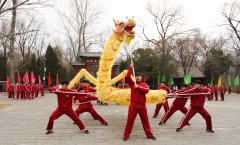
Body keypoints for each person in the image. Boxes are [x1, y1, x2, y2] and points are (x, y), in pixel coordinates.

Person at [123, 63, 156, 141]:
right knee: (130, 121)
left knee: (145, 121)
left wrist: (139, 87)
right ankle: (126, 135)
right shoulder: (132, 83)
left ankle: (149, 134)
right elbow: (128, 76)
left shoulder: (144, 84)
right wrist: (130, 68)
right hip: (133, 106)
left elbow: (147, 91)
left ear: (141, 77)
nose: (138, 77)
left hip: (142, 106)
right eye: (136, 76)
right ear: (135, 77)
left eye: (139, 76)